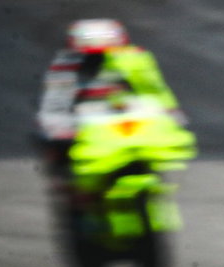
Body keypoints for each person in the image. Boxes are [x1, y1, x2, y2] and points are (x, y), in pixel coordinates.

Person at [36, 19, 183, 181]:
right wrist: (59, 128)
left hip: (122, 122)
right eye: (91, 53)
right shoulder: (65, 65)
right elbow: (55, 103)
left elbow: (154, 91)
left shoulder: (134, 59)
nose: (98, 57)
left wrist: (169, 113)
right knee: (61, 154)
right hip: (84, 125)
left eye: (105, 51)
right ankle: (74, 190)